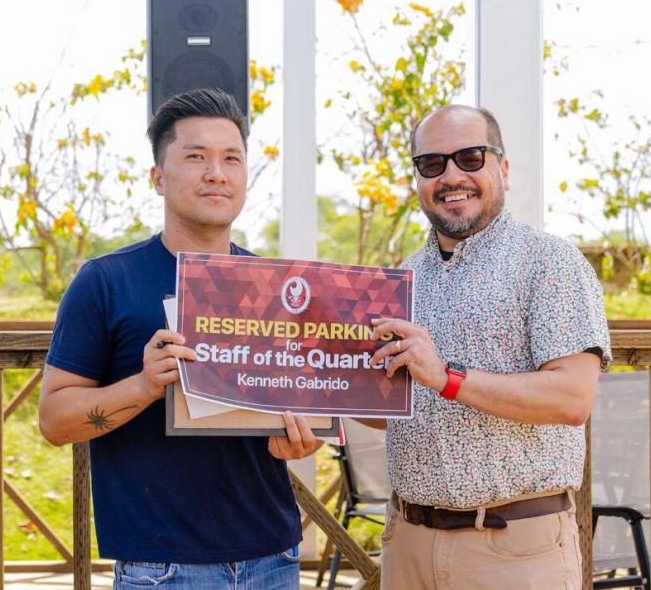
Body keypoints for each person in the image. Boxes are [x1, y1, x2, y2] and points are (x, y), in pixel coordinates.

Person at [38, 87, 320, 590]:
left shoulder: (276, 286)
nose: (217, 172)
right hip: (162, 568)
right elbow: (55, 421)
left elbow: (292, 415)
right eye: (196, 157)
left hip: (273, 557)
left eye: (232, 159)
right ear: (157, 177)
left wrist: (295, 441)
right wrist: (144, 386)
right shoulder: (106, 281)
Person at [366, 104, 612, 590]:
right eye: (432, 164)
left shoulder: (549, 262)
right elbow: (390, 408)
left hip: (512, 550)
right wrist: (314, 386)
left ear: (502, 167)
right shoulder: (401, 276)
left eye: (470, 157)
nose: (451, 175)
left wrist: (447, 378)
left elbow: (571, 399)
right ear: (417, 178)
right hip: (407, 544)